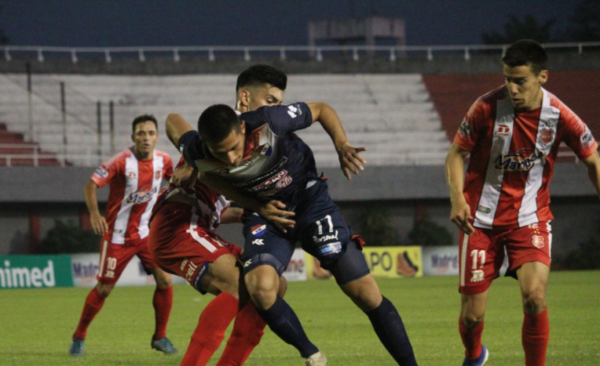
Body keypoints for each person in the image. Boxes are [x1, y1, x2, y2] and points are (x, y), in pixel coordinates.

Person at [166, 65, 418, 366]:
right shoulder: (199, 150)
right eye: (221, 153)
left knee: (364, 293)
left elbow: (322, 109)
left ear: (243, 130)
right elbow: (176, 128)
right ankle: (312, 354)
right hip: (268, 215)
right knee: (260, 287)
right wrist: (250, 202)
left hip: (311, 203)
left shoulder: (270, 120)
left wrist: (342, 145)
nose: (231, 158)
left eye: (234, 148)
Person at [445, 39, 600, 366]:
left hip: (530, 218)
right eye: (507, 80)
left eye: (520, 81)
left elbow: (593, 160)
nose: (512, 88)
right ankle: (474, 356)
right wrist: (458, 198)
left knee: (534, 297)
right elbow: (456, 154)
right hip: (479, 222)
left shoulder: (560, 116)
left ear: (542, 76)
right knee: (472, 317)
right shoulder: (485, 107)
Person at [148, 156, 287, 366]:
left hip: (200, 228)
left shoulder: (243, 158)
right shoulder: (211, 146)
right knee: (235, 282)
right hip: (177, 226)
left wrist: (253, 213)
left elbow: (218, 214)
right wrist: (192, 168)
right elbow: (182, 172)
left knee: (271, 284)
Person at [69, 115, 177, 357]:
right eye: (141, 133)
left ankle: (160, 336)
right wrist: (95, 215)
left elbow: (174, 183)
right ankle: (79, 335)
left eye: (150, 133)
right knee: (105, 289)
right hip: (117, 236)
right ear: (133, 137)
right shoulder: (120, 162)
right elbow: (90, 186)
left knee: (165, 281)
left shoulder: (165, 160)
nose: (146, 137)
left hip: (146, 235)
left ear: (157, 136)